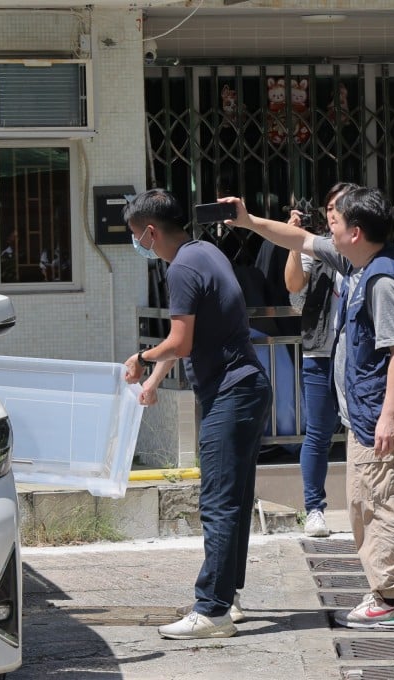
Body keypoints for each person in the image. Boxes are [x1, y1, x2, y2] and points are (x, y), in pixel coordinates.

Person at [225, 186, 394, 630]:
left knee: (374, 503)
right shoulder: (357, 262)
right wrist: (248, 221)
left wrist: (388, 415)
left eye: (335, 221)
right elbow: (299, 241)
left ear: (355, 232)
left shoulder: (381, 281)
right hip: (368, 409)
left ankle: (388, 598)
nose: (327, 228)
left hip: (377, 413)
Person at [122, 189, 272, 639]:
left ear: (151, 232)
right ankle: (230, 596)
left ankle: (212, 610)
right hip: (246, 387)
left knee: (219, 503)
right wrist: (153, 382)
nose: (137, 245)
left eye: (135, 236)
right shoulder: (204, 252)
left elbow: (179, 340)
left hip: (230, 394)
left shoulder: (181, 270)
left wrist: (143, 358)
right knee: (236, 500)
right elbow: (193, 333)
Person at [284, 182, 355, 538]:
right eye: (328, 208)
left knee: (363, 430)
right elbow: (294, 286)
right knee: (319, 433)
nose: (331, 214)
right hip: (321, 351)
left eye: (338, 207)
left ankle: (364, 504)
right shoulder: (317, 246)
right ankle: (314, 508)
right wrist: (296, 242)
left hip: (357, 353)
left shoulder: (365, 249)